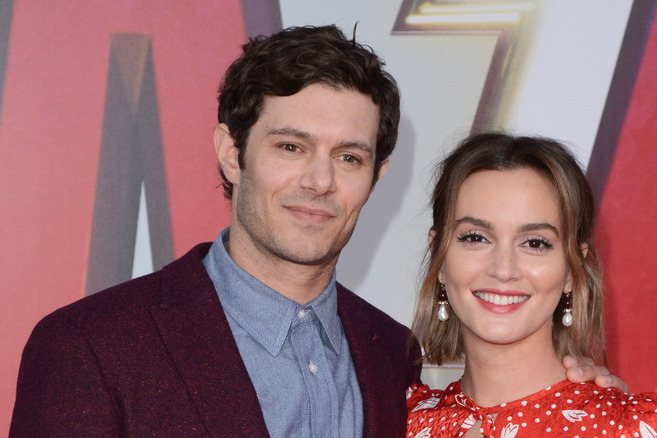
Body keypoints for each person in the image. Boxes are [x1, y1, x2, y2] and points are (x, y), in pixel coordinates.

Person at [12, 26, 623, 437]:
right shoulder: (88, 348)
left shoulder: (394, 360)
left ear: (377, 175)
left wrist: (596, 410)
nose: (320, 180)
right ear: (231, 152)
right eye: (290, 146)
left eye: (349, 157)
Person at [406, 133, 657, 438]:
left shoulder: (634, 430)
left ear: (573, 269)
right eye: (476, 237)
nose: (503, 269)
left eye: (535, 243)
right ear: (439, 257)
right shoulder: (400, 422)